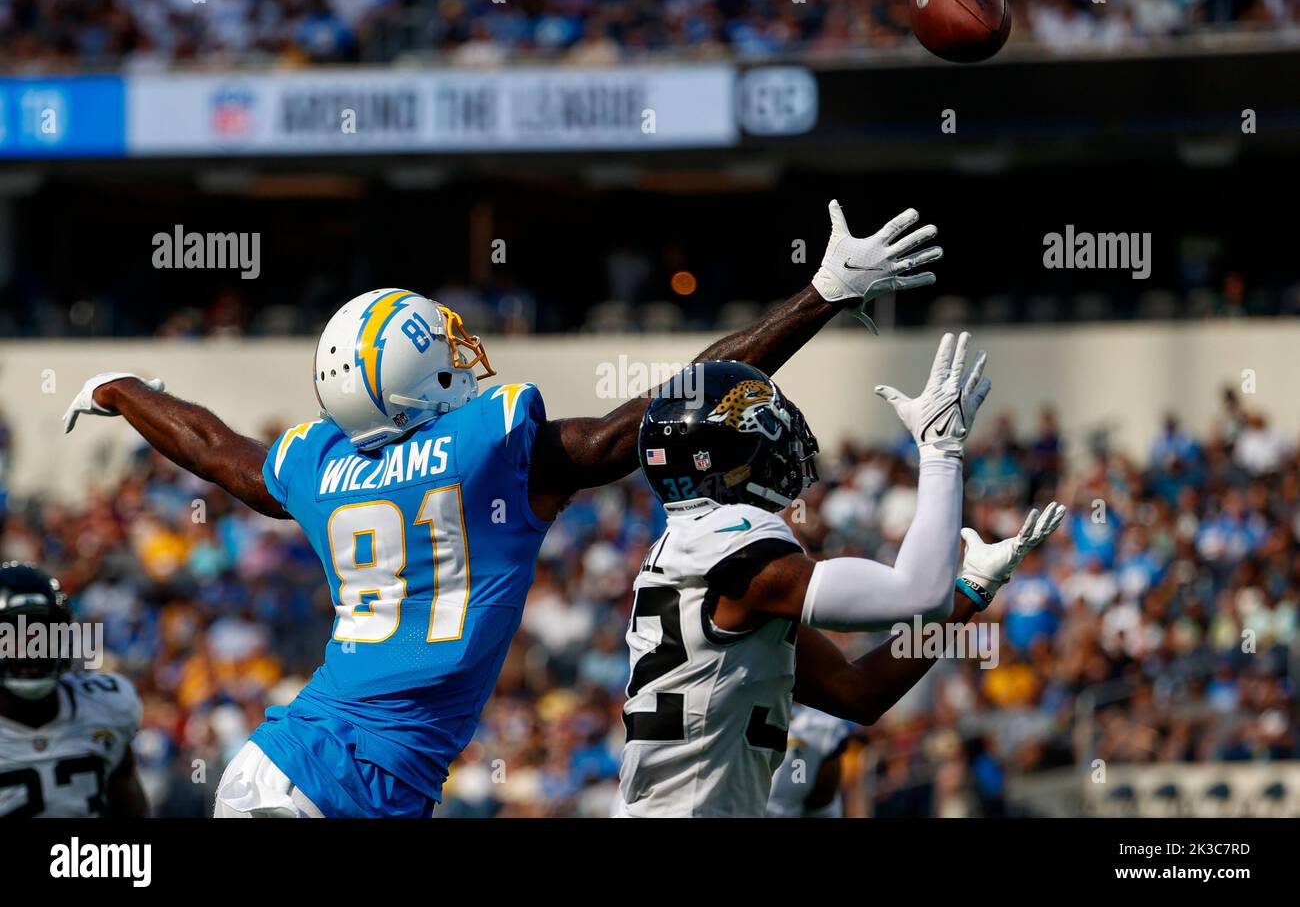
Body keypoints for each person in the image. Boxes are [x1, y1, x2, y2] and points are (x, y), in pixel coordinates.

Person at [62, 201, 943, 818]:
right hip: (351, 788)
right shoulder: (492, 455)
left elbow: (215, 450)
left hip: (286, 765)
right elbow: (675, 404)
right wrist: (820, 296)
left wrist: (123, 388)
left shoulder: (320, 467)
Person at [616, 348, 1065, 816]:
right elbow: (919, 594)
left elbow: (857, 692)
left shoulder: (687, 550)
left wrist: (971, 589)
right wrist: (941, 451)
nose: (783, 445)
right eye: (766, 430)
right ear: (720, 458)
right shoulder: (730, 543)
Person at [0, 562, 148, 817]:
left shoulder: (107, 705)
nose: (32, 648)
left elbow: (131, 810)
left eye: (44, 631)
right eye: (13, 633)